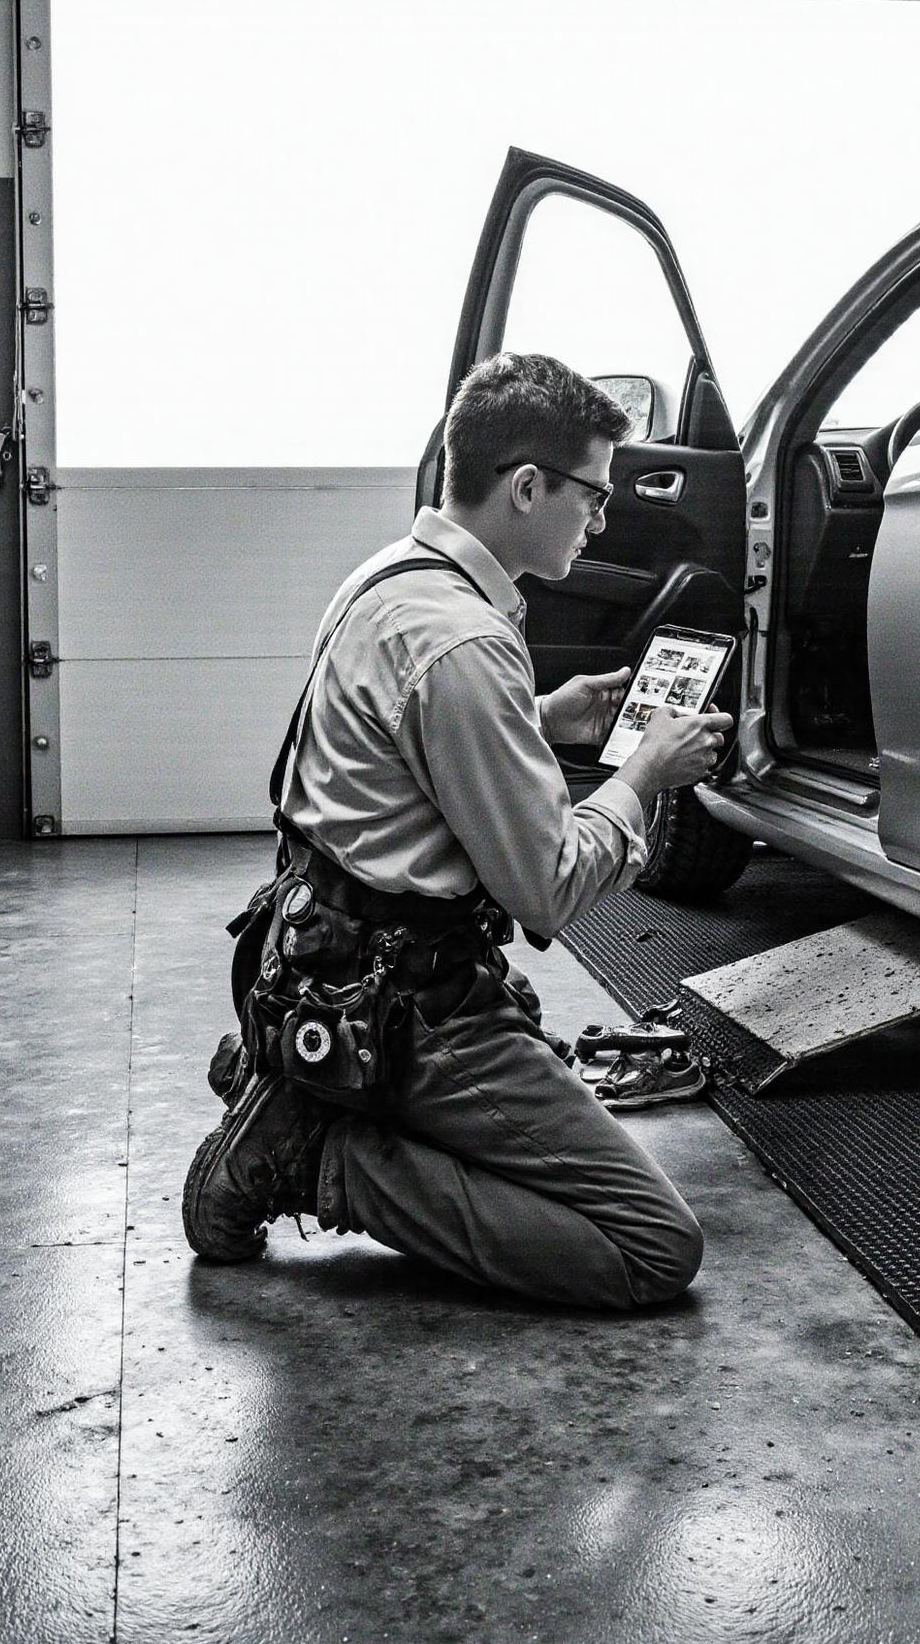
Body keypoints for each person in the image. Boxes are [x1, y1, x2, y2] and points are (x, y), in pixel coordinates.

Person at [183, 351, 732, 1308]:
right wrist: (646, 774)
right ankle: (317, 1158)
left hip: (317, 957)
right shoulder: (467, 644)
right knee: (653, 1247)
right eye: (593, 496)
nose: (600, 518)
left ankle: (299, 1091)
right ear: (527, 487)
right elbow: (547, 892)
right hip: (417, 1009)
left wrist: (544, 715)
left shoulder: (395, 579)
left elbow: (405, 746)